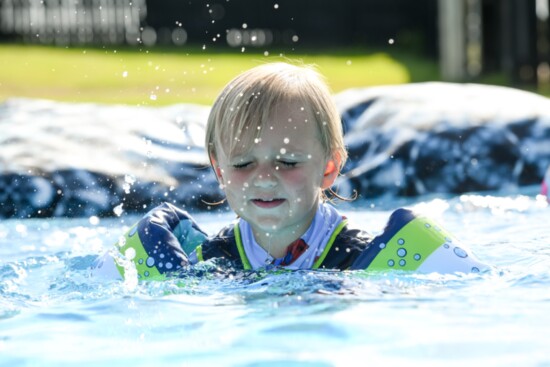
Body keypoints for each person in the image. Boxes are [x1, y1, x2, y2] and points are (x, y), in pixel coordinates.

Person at [92, 63, 489, 280]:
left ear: (329, 168)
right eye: (244, 164)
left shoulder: (358, 259)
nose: (265, 177)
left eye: (288, 162)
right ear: (220, 171)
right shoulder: (207, 262)